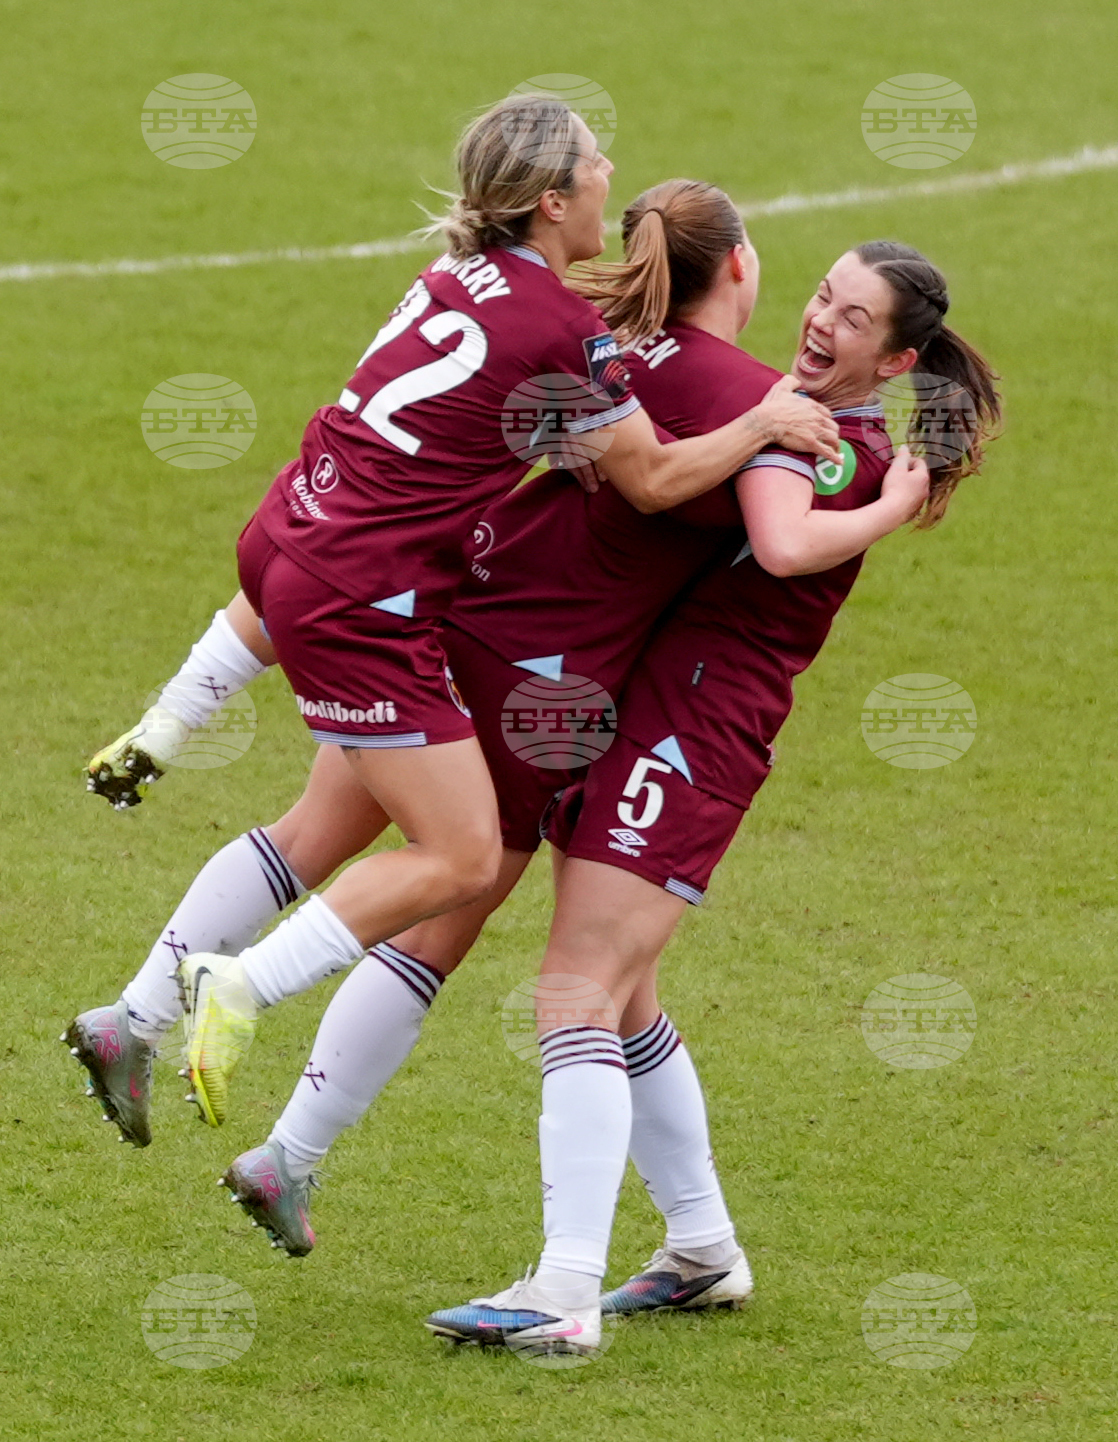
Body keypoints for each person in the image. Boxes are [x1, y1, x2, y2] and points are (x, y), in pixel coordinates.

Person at [66, 98, 842, 1141]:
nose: (608, 168)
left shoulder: (455, 276)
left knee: (316, 829)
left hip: (290, 537)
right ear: (552, 199)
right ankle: (238, 987)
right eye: (590, 159)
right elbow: (653, 480)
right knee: (466, 856)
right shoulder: (560, 324)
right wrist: (762, 420)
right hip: (364, 601)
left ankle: (133, 1012)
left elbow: (516, 426)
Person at [424, 240, 1001, 1356]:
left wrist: (893, 506)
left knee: (572, 990)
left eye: (852, 316)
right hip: (653, 716)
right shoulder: (786, 409)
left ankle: (562, 1289)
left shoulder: (839, 445)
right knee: (623, 996)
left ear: (893, 360)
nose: (821, 319)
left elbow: (781, 548)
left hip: (692, 735)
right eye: (822, 294)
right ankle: (700, 1250)